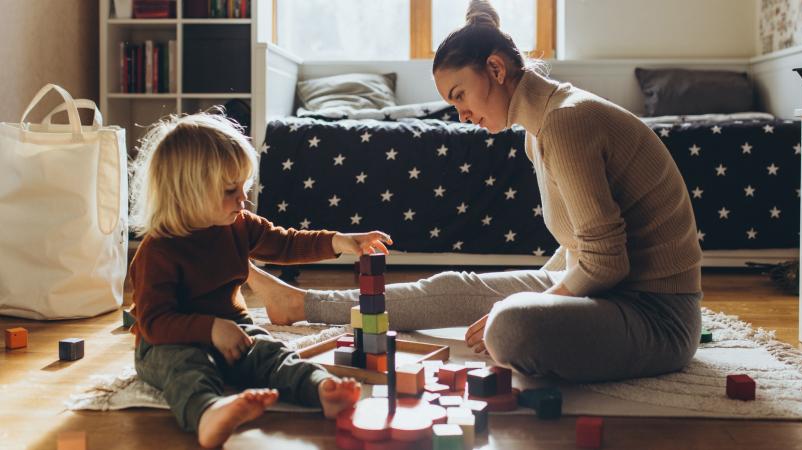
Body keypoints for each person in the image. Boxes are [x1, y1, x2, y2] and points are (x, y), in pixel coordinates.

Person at [252, 0, 702, 384]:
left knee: (508, 327)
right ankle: (299, 303)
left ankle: (515, 314)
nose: (462, 115)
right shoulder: (540, 125)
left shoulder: (567, 121)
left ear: (495, 68)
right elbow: (581, 247)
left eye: (460, 95)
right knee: (457, 288)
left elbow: (606, 260)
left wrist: (527, 303)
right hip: (611, 290)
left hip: (657, 316)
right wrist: (534, 290)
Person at [128, 111, 392, 448]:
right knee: (187, 368)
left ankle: (319, 389)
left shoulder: (239, 223)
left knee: (271, 352)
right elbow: (154, 322)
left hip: (234, 329)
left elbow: (285, 242)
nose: (243, 199)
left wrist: (337, 240)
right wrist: (210, 328)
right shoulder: (159, 250)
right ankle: (207, 413)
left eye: (244, 187)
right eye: (229, 190)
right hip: (167, 342)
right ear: (186, 192)